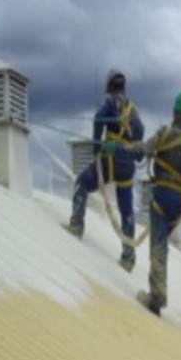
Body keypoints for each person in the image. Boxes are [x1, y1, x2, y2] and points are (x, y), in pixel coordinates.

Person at [102, 91, 181, 315]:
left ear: (175, 113)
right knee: (162, 246)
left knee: (158, 248)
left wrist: (116, 148)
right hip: (179, 206)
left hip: (161, 198)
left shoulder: (164, 135)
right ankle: (158, 291)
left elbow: (140, 149)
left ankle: (157, 298)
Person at [67, 69, 145, 271]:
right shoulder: (132, 110)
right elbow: (140, 136)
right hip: (127, 167)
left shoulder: (110, 104)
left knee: (82, 183)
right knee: (127, 210)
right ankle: (129, 256)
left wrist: (97, 148)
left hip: (109, 163)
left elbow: (98, 123)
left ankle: (76, 225)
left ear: (109, 87)